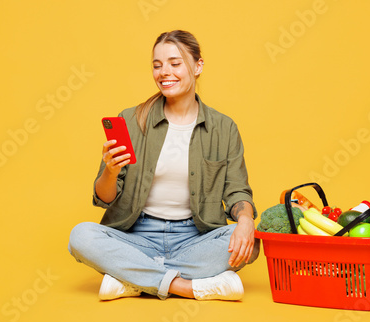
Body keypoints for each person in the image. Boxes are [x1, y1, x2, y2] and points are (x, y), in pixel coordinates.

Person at [68, 30, 260, 301]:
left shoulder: (223, 128)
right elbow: (105, 198)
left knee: (251, 243)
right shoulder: (132, 120)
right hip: (137, 237)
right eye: (157, 65)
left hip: (194, 238)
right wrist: (110, 172)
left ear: (198, 66)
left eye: (174, 63)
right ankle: (184, 286)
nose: (164, 72)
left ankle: (134, 279)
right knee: (81, 236)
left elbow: (237, 191)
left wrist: (245, 220)